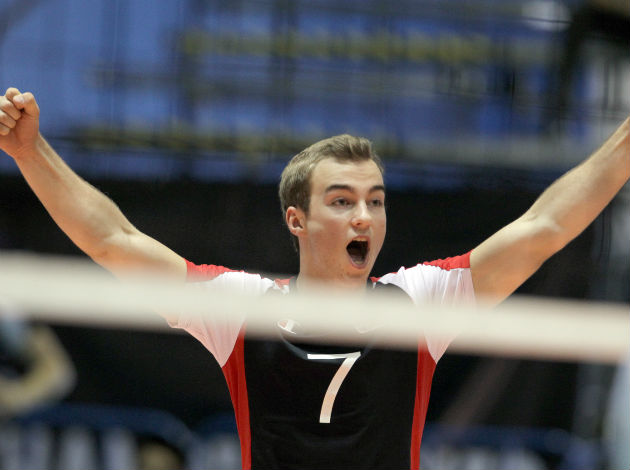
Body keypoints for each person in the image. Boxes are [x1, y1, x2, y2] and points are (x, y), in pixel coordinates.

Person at [0, 86, 628, 469]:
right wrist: (31, 151)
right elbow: (114, 241)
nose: (365, 216)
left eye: (376, 200)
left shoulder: (421, 302)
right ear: (296, 220)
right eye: (342, 200)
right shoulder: (243, 309)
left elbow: (543, 228)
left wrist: (623, 145)